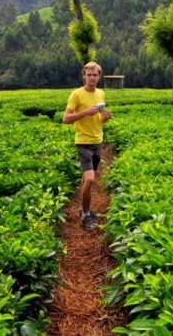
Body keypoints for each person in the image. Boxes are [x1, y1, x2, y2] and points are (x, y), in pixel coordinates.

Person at [62, 61, 112, 230]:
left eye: (95, 75)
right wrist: (85, 112)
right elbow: (66, 119)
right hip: (83, 142)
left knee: (88, 178)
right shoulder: (76, 94)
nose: (92, 78)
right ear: (84, 76)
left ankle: (85, 209)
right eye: (89, 74)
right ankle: (85, 214)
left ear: (99, 76)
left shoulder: (101, 94)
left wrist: (104, 118)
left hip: (97, 141)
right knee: (90, 178)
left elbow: (98, 119)